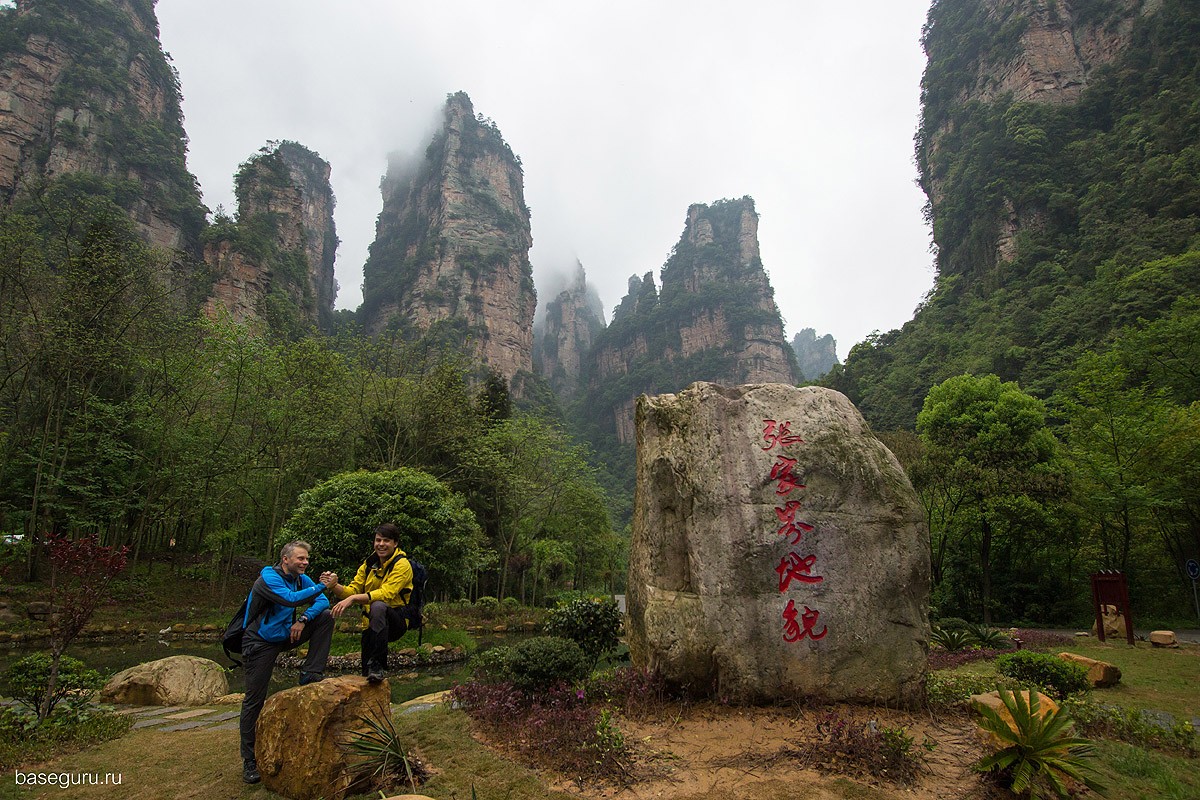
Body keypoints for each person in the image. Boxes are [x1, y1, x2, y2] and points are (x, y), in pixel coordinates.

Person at [238, 540, 336, 785]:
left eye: (307, 559)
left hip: (285, 635)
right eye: (301, 559)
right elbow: (290, 599)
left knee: (324, 617)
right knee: (254, 699)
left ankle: (310, 673)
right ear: (286, 560)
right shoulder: (268, 579)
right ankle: (249, 760)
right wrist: (322, 586)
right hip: (259, 642)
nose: (305, 563)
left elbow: (322, 602)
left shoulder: (300, 578)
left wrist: (303, 618)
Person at [329, 522, 414, 684]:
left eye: (386, 541)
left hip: (396, 621)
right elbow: (352, 590)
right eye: (378, 540)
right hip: (371, 625)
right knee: (366, 674)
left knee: (378, 605)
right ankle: (371, 681)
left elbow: (386, 593)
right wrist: (334, 585)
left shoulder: (402, 565)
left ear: (395, 543)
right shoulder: (369, 565)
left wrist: (353, 599)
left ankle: (379, 664)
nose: (381, 544)